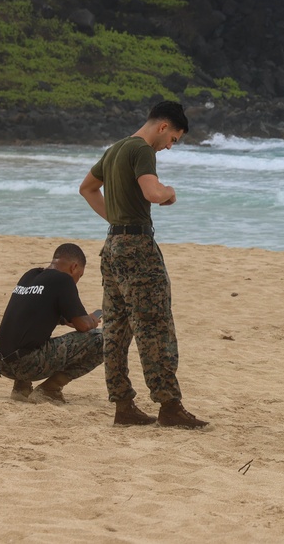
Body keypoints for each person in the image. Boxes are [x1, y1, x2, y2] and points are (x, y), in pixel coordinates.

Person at [79, 100, 208, 428]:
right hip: (137, 248)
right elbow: (152, 192)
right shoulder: (142, 150)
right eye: (174, 140)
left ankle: (123, 405)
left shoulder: (115, 149)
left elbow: (87, 188)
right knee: (155, 325)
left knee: (116, 329)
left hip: (113, 247)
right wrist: (169, 192)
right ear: (164, 127)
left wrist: (116, 219)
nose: (169, 147)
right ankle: (169, 406)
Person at [0, 243, 103, 405]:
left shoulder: (30, 275)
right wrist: (92, 319)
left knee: (28, 338)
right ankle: (50, 389)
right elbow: (83, 326)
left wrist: (65, 321)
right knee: (103, 339)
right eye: (80, 275)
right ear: (74, 267)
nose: (77, 280)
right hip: (24, 364)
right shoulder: (63, 280)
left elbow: (33, 311)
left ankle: (21, 388)